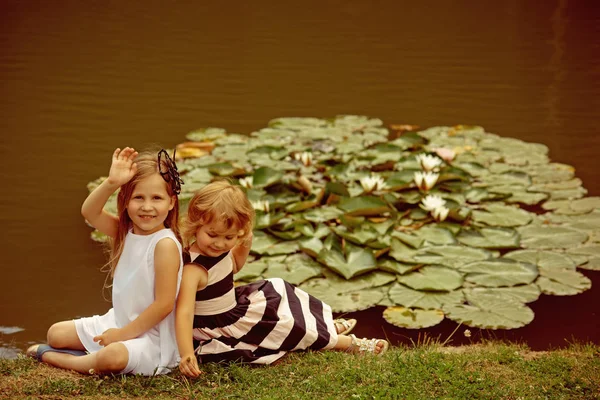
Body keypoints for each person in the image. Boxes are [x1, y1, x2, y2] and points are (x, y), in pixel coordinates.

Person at [175, 180, 389, 378]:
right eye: (213, 235)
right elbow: (184, 312)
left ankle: (319, 326)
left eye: (229, 237)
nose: (220, 244)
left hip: (233, 308)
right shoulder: (194, 269)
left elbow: (234, 267)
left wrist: (245, 243)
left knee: (278, 288)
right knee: (280, 326)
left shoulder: (217, 250)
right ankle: (347, 344)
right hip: (218, 325)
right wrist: (186, 353)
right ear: (196, 224)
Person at [27, 147, 184, 376]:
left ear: (171, 202)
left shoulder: (165, 244)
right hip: (118, 322)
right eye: (138, 197)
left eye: (157, 198)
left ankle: (59, 359)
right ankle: (89, 355)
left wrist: (121, 336)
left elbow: (164, 305)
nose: (147, 207)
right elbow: (89, 212)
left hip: (152, 338)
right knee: (56, 334)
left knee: (112, 357)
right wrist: (111, 182)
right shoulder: (127, 231)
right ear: (125, 200)